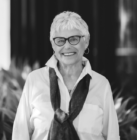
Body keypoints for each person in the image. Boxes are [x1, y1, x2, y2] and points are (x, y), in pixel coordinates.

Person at [12, 11, 120, 140]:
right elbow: (20, 134)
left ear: (86, 42)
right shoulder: (34, 80)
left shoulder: (101, 84)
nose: (67, 46)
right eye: (60, 40)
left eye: (74, 39)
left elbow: (112, 136)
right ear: (53, 45)